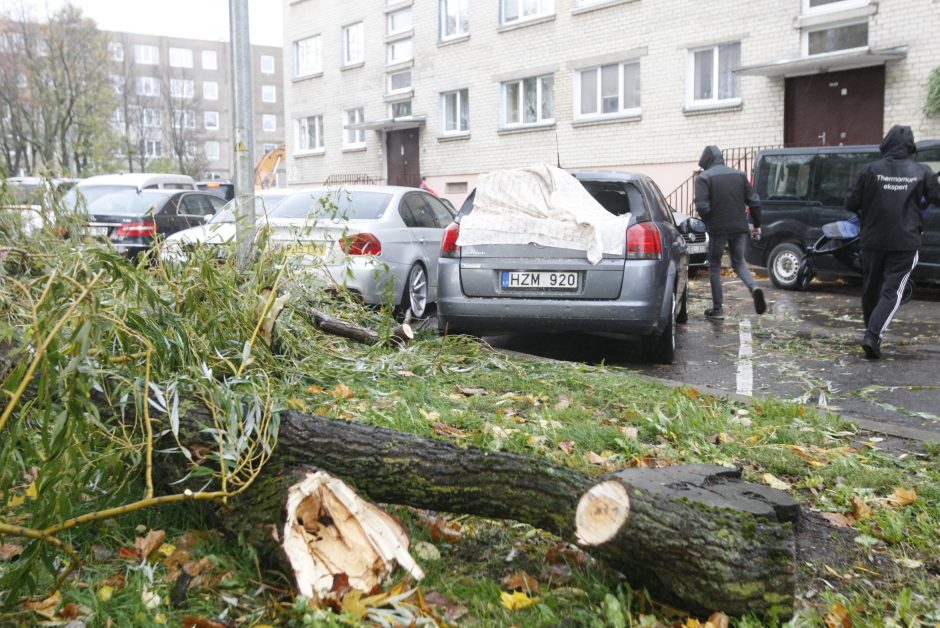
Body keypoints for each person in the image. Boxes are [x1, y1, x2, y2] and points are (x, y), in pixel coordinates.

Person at [845, 125, 940, 359]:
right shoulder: (922, 171)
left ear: (887, 142)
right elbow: (937, 198)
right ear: (911, 145)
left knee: (870, 289)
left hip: (872, 241)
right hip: (904, 242)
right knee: (891, 293)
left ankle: (871, 331)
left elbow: (850, 203)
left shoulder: (869, 170)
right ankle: (873, 334)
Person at [694, 145, 766, 319]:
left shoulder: (704, 178)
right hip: (740, 227)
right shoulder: (739, 175)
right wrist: (756, 224)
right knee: (739, 263)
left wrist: (709, 222)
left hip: (718, 230)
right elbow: (754, 202)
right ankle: (753, 286)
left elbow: (703, 207)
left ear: (706, 161)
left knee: (714, 266)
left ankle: (718, 309)